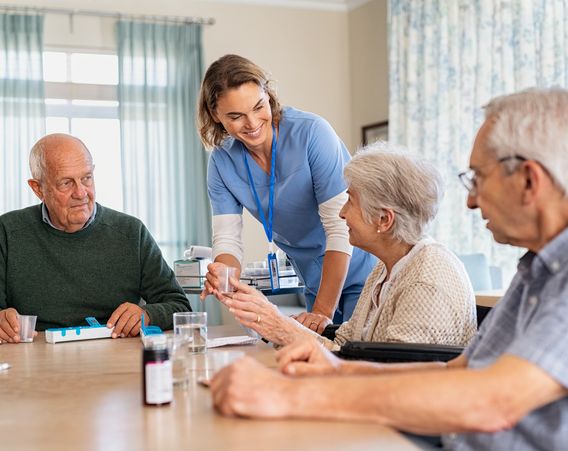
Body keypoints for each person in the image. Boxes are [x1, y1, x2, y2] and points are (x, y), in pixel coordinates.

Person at [209, 87, 568, 449]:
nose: (471, 202)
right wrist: (336, 371)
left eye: (478, 179)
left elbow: (493, 401)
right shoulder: (541, 266)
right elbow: (458, 371)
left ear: (530, 181)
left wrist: (287, 394)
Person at [216, 143, 476, 348]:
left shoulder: (425, 281)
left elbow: (390, 379)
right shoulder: (386, 270)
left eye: (350, 201)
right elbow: (345, 344)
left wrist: (279, 325)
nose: (342, 213)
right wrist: (274, 323)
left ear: (383, 219)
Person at [197, 54, 376, 332]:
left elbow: (339, 229)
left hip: (363, 271)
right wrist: (223, 274)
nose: (252, 122)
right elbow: (227, 240)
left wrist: (322, 313)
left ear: (268, 95)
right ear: (215, 116)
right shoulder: (222, 162)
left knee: (355, 360)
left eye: (258, 106)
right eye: (235, 116)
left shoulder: (312, 134)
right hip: (315, 281)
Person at [0, 133, 191, 343]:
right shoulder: (7, 232)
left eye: (86, 178)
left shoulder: (131, 232)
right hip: (34, 359)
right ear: (38, 189)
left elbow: (179, 305)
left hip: (113, 356)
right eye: (66, 183)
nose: (81, 193)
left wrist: (147, 315)